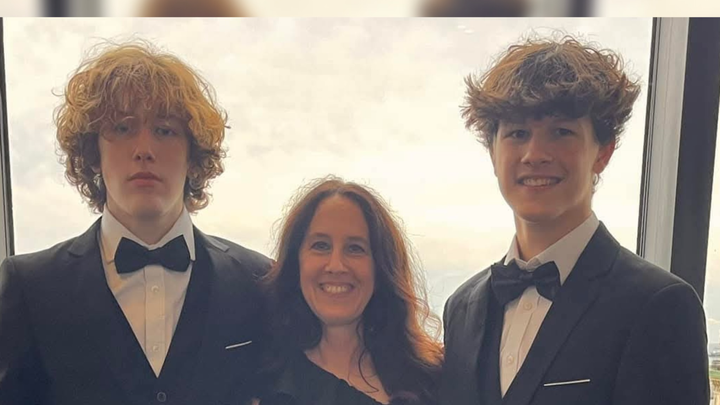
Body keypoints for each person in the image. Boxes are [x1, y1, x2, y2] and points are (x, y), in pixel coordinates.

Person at [441, 35, 709, 405]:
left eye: (561, 132)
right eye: (517, 133)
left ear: (603, 152)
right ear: (492, 152)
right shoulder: (461, 307)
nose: (535, 154)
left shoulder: (659, 305)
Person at [0, 40, 271, 405]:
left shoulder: (260, 280)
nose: (144, 149)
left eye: (165, 130)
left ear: (193, 156)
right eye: (123, 128)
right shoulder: (29, 287)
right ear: (92, 153)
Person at [256, 177, 443, 405]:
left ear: (381, 268)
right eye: (321, 246)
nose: (336, 265)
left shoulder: (436, 381)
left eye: (355, 248)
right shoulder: (262, 387)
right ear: (296, 263)